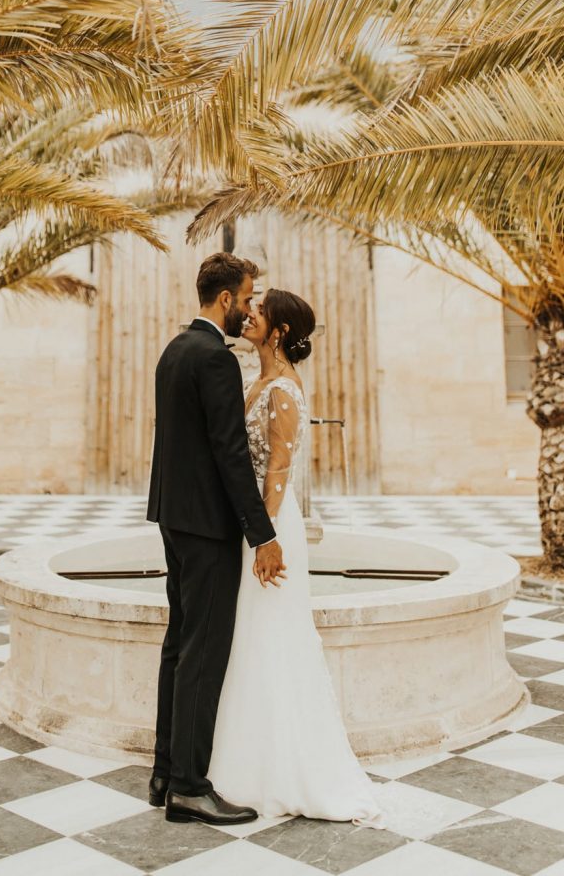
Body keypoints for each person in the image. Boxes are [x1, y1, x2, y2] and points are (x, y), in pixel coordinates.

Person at [207, 288, 384, 825]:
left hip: (269, 523)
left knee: (272, 632)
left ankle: (282, 769)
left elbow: (279, 469)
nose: (247, 315)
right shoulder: (258, 378)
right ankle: (247, 759)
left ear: (279, 330)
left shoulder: (283, 387)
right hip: (253, 522)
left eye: (257, 313)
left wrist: (264, 538)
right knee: (252, 633)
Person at [146, 252, 286, 826]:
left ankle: (162, 772)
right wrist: (263, 534)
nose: (251, 307)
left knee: (179, 645)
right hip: (208, 527)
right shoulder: (217, 360)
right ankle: (188, 786)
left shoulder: (175, 350)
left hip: (175, 519)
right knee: (204, 655)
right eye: (248, 297)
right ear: (225, 299)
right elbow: (229, 455)